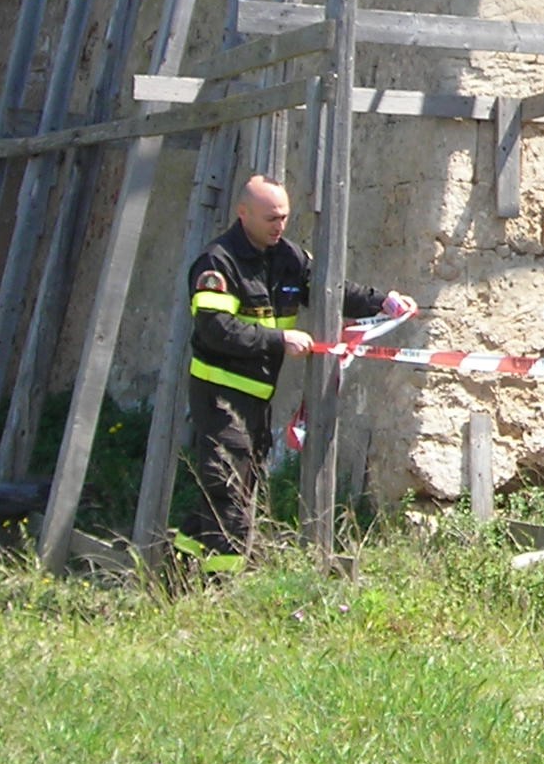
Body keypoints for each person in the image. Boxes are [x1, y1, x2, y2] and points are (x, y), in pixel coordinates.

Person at [175, 174, 411, 575]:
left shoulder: (287, 257)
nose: (279, 226)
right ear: (243, 213)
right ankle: (221, 586)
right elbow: (215, 328)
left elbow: (329, 289)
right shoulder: (218, 263)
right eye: (270, 218)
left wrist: (382, 302)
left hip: (256, 399)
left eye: (283, 217)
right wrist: (278, 339)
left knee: (232, 489)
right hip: (219, 395)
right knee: (229, 492)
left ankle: (177, 567)